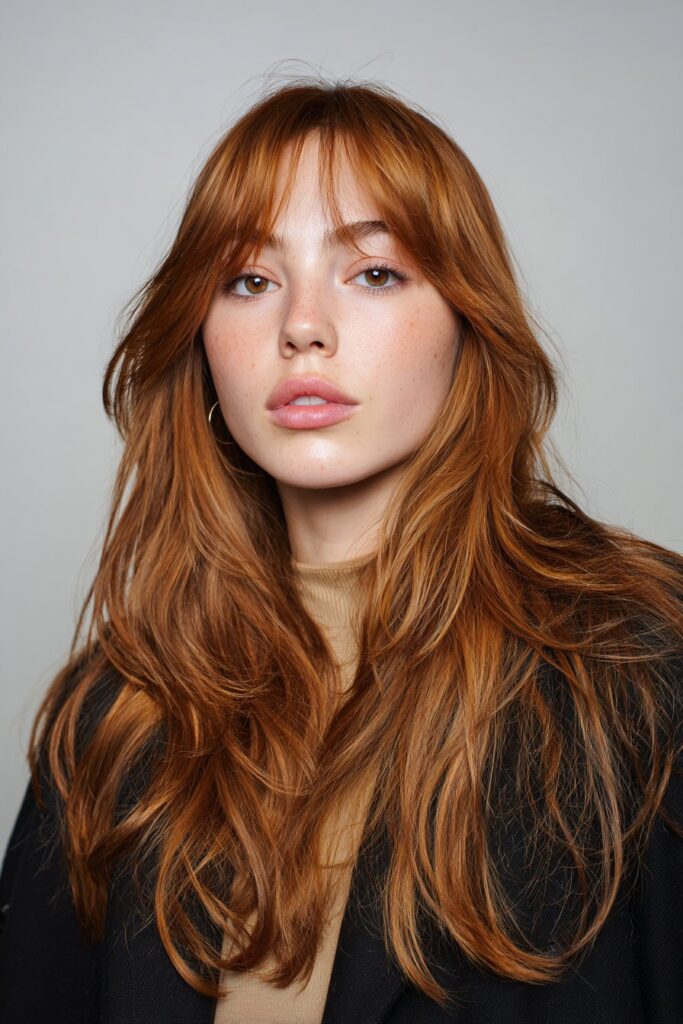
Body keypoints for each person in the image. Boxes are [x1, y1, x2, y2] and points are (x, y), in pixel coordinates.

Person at [0, 77, 681, 1024]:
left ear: (466, 319)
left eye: (373, 273)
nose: (302, 328)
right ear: (199, 340)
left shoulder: (637, 666)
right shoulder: (111, 718)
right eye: (249, 280)